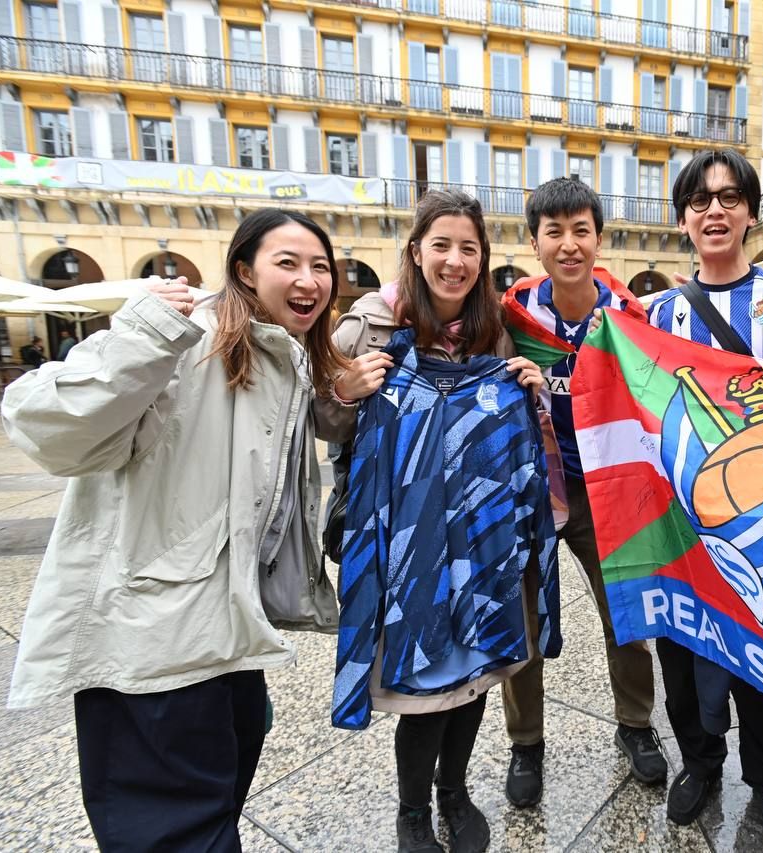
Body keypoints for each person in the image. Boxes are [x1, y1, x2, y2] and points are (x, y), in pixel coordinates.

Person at [1, 209, 347, 850]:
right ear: (244, 271)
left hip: (224, 634)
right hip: (151, 645)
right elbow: (43, 424)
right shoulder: (185, 339)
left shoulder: (280, 356)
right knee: (178, 833)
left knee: (214, 811)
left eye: (320, 266)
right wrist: (142, 335)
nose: (309, 279)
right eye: (288, 262)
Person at [322, 189, 550, 853]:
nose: (455, 261)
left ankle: (455, 790)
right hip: (410, 539)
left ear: (483, 259)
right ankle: (413, 810)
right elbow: (315, 417)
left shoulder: (492, 331)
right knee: (425, 684)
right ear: (416, 251)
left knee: (474, 674)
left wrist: (531, 393)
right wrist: (342, 391)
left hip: (480, 538)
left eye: (468, 248)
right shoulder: (368, 325)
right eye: (441, 245)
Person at [645, 149, 763, 853]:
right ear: (683, 220)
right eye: (699, 200)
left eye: (729, 197)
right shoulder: (658, 313)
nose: (714, 210)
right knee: (683, 649)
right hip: (681, 524)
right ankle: (699, 760)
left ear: (751, 212)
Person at [498, 177, 667, 806]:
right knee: (524, 622)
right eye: (554, 232)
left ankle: (636, 724)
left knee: (625, 614)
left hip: (605, 492)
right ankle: (526, 742)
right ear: (534, 242)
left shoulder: (628, 318)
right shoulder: (513, 315)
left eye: (581, 231)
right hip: (534, 490)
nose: (568, 245)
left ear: (600, 238)